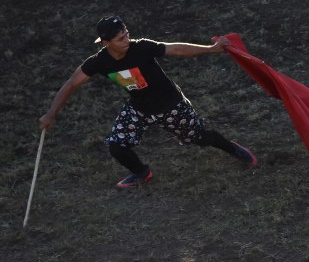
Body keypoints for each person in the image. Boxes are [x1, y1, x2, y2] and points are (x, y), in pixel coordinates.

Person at [39, 16, 257, 187]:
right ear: (106, 43)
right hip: (139, 108)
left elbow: (177, 49)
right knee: (116, 145)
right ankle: (141, 173)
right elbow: (71, 84)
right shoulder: (99, 62)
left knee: (199, 137)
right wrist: (51, 114)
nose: (127, 39)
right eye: (120, 38)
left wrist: (210, 50)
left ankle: (233, 149)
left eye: (126, 34)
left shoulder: (142, 47)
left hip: (171, 105)